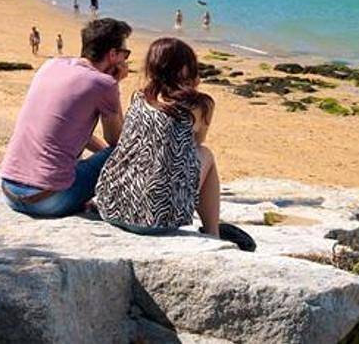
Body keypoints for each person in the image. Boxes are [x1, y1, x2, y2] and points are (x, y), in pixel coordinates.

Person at [96, 38, 252, 249]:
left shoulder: (140, 97)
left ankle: (212, 231)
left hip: (112, 208)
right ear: (187, 68)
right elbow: (195, 144)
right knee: (206, 154)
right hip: (157, 220)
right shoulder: (199, 105)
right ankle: (212, 232)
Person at [0, 18, 132, 218]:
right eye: (125, 53)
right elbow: (118, 142)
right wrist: (115, 83)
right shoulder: (104, 83)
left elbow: (66, 127)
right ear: (113, 55)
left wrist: (102, 154)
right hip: (48, 200)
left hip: (10, 191)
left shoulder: (50, 65)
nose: (126, 59)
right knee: (128, 151)